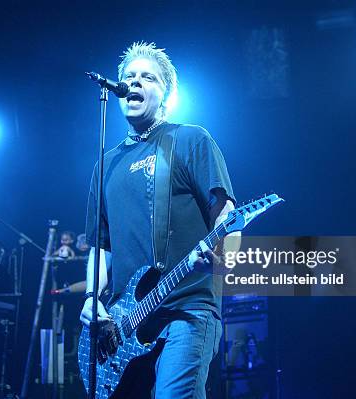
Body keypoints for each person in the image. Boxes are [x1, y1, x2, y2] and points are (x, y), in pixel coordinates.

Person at [79, 42, 239, 399]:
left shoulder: (189, 140)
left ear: (166, 92)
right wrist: (91, 296)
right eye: (128, 77)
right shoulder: (104, 167)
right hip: (125, 324)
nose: (134, 83)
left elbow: (226, 213)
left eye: (147, 78)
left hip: (187, 307)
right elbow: (101, 249)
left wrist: (220, 258)